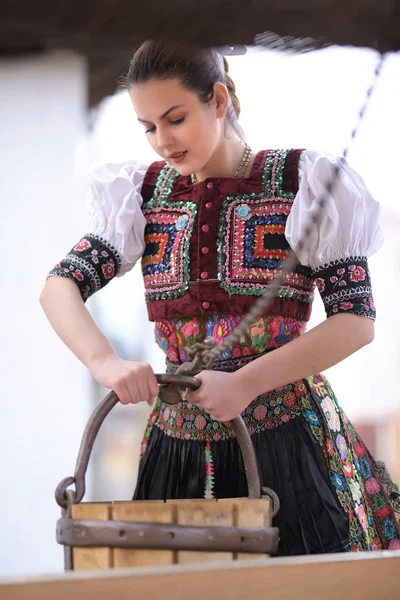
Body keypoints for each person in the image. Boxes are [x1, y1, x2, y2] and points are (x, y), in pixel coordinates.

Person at [40, 40, 400, 555]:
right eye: (148, 127)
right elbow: (60, 286)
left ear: (218, 99)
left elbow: (355, 321)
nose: (162, 140)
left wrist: (246, 382)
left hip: (289, 441)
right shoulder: (140, 195)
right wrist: (105, 363)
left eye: (175, 118)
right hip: (176, 447)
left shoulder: (305, 182)